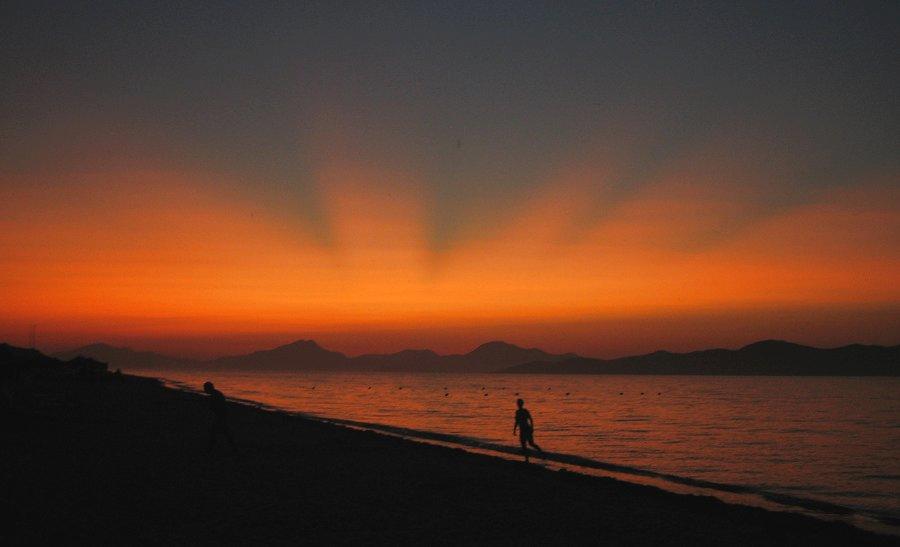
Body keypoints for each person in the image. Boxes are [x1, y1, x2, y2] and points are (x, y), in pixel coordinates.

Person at [203, 381, 236, 453]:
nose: (204, 390)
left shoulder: (215, 395)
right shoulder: (216, 394)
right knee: (223, 432)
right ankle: (233, 447)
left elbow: (216, 407)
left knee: (220, 432)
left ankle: (210, 449)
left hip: (221, 416)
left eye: (205, 388)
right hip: (221, 416)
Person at [513, 398, 543, 462]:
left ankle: (541, 453)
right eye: (518, 403)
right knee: (525, 444)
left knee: (530, 443)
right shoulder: (518, 412)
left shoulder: (525, 411)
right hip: (523, 429)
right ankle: (527, 459)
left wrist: (532, 427)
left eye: (519, 403)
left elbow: (530, 419)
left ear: (521, 404)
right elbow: (517, 421)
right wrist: (514, 430)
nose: (518, 404)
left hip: (527, 429)